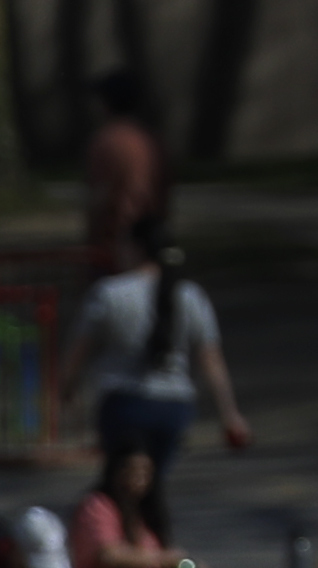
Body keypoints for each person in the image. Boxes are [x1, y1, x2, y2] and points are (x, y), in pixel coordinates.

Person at [59, 224, 251, 481]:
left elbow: (78, 350)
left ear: (135, 248)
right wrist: (230, 415)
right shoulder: (190, 295)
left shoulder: (109, 293)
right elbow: (211, 359)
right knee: (153, 484)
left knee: (120, 482)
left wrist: (67, 389)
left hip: (123, 403)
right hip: (173, 406)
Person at [62, 444, 173, 568]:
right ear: (115, 469)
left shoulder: (146, 513)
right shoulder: (97, 507)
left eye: (145, 471)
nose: (138, 476)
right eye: (131, 468)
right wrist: (166, 559)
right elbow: (108, 556)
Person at [78, 69, 164, 273]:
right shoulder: (152, 141)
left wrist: (91, 246)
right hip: (151, 244)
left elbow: (100, 197)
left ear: (107, 103)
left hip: (115, 246)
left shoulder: (106, 142)